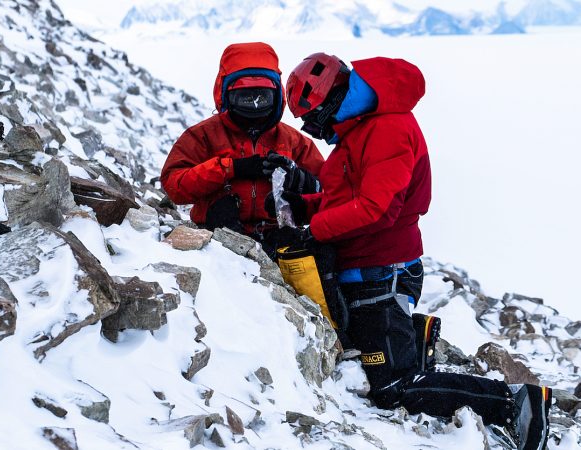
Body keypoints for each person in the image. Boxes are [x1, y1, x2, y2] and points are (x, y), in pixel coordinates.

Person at [279, 53, 552, 450]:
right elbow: (351, 196)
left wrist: (317, 230)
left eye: (312, 116)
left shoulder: (387, 130)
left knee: (392, 387)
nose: (311, 128)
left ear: (332, 101)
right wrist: (307, 207)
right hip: (368, 265)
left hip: (380, 269)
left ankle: (517, 404)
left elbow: (376, 208)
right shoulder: (363, 129)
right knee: (367, 351)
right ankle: (412, 337)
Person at [160, 42, 324, 256]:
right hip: (214, 244)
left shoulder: (293, 141)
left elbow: (333, 189)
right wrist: (230, 168)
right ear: (225, 93)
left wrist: (303, 181)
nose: (255, 105)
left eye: (263, 97)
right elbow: (174, 185)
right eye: (245, 97)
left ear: (277, 95)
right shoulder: (203, 135)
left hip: (281, 243)